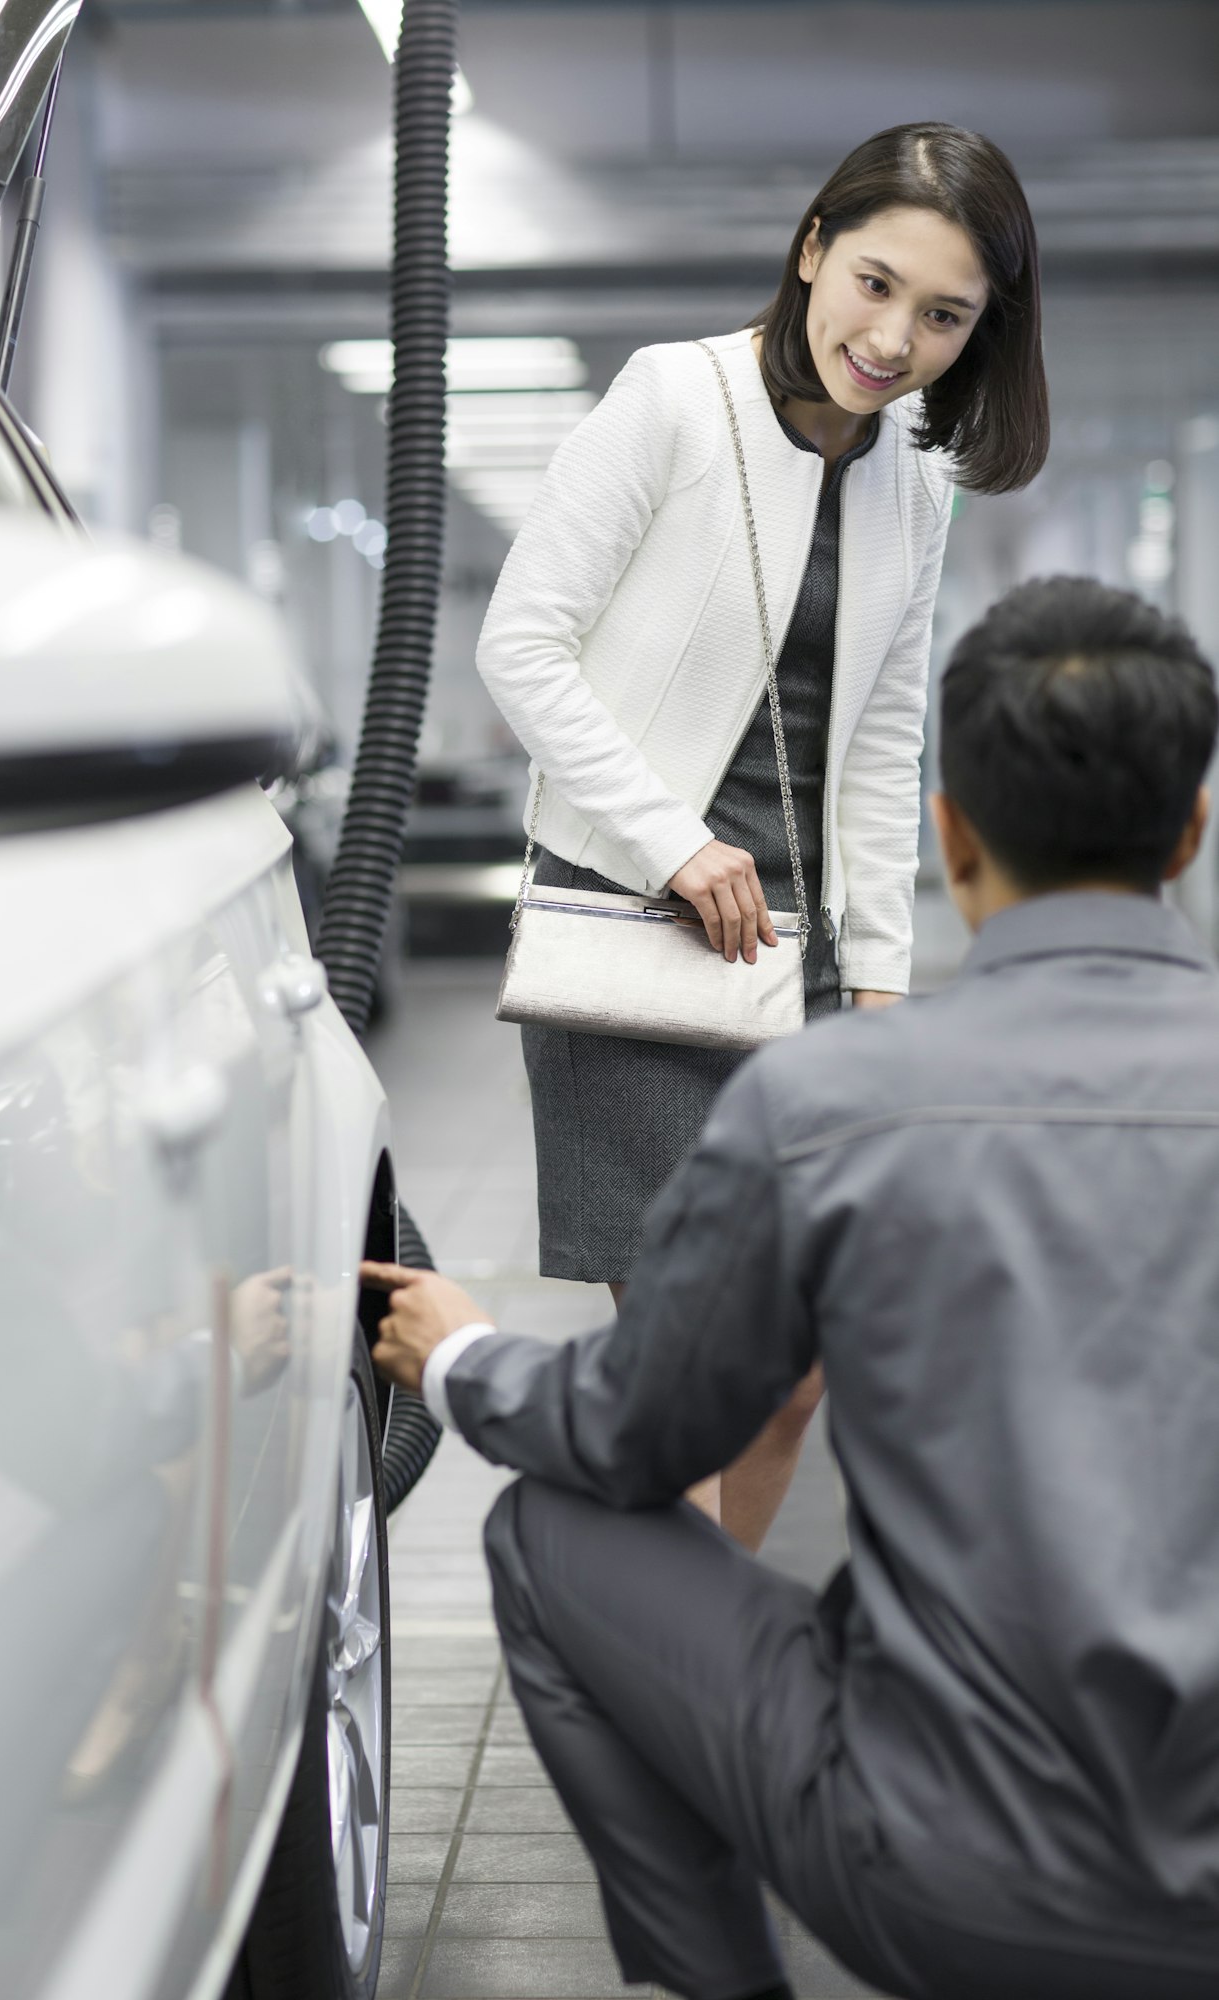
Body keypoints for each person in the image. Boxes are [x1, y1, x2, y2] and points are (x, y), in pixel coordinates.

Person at [367, 576, 1219, 2000]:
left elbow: (628, 1434)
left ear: (948, 837)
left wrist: (463, 1357)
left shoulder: (827, 1104)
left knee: (551, 1534)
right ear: (1190, 831)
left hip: (936, 1885)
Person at [477, 119, 1047, 1528]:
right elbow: (521, 645)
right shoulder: (671, 400)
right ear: (809, 251)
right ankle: (663, 1696)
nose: (891, 336)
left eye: (941, 315)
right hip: (638, 940)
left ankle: (720, 1671)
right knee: (686, 1366)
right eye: (871, 281)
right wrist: (673, 840)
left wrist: (878, 985)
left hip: (804, 963)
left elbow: (878, 738)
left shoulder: (914, 472)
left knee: (797, 1371)